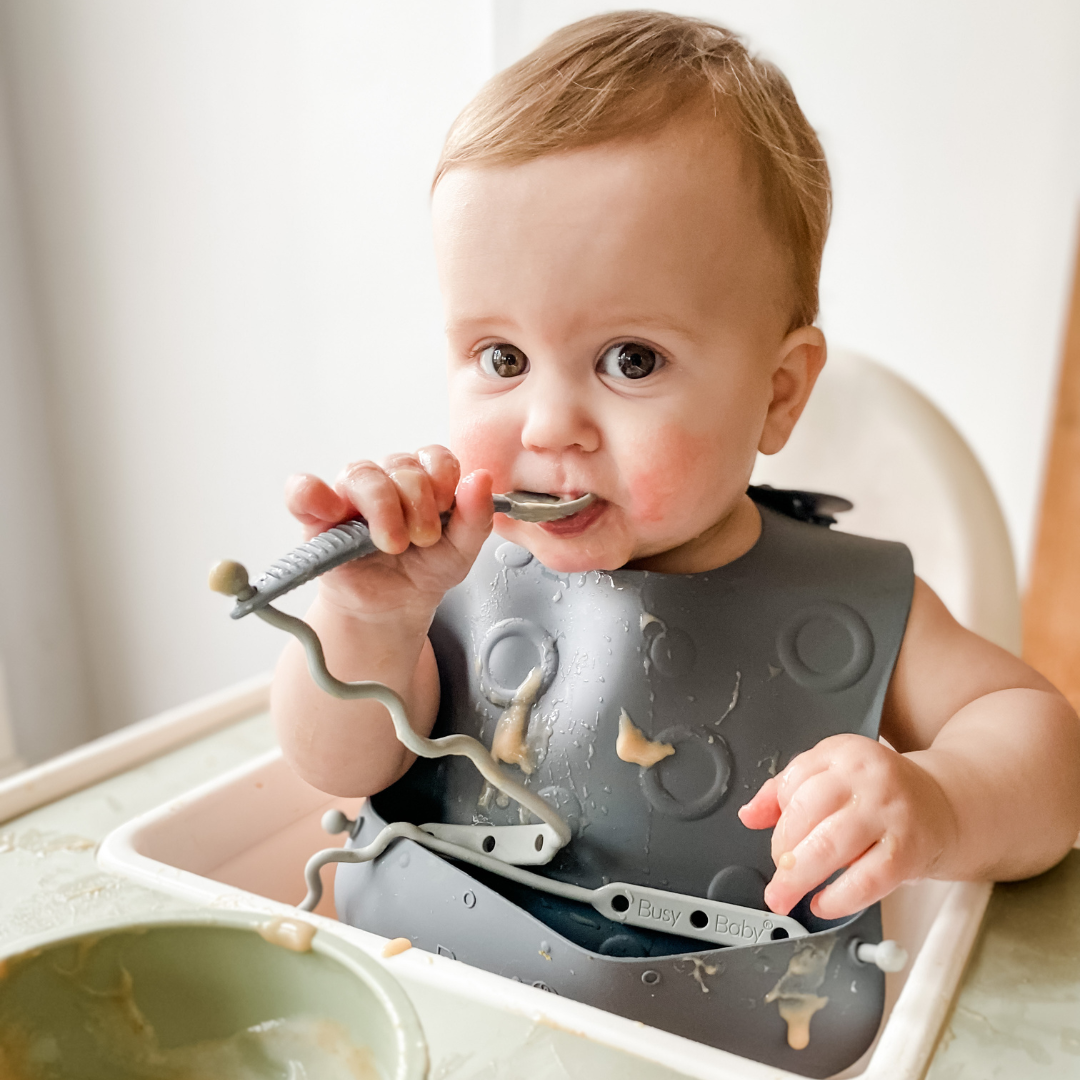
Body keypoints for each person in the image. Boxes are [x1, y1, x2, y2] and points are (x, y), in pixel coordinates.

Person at [271, 11, 1080, 925]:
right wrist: (363, 615)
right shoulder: (442, 583)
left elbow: (1047, 754)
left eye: (631, 360)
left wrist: (940, 802)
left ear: (777, 394)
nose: (549, 425)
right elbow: (332, 767)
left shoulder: (845, 604)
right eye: (502, 357)